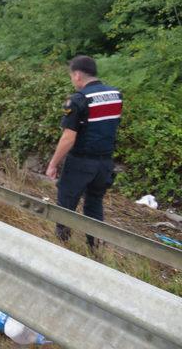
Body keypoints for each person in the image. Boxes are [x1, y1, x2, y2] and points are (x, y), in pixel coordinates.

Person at [46, 55, 123, 248]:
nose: (72, 80)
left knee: (66, 202)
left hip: (81, 162)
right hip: (105, 163)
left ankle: (62, 246)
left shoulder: (78, 100)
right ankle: (94, 248)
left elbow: (68, 138)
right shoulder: (115, 95)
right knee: (94, 203)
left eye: (71, 76)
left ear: (78, 75)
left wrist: (53, 163)